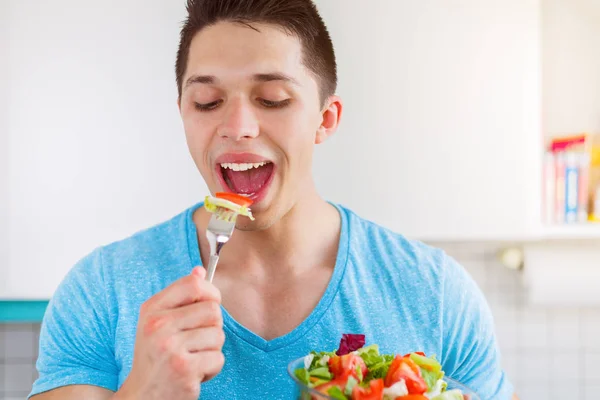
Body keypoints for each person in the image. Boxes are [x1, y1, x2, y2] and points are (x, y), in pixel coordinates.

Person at [29, 0, 518, 399]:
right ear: (182, 111)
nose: (239, 126)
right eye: (207, 101)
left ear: (325, 119)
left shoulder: (435, 293)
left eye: (273, 99)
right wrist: (141, 394)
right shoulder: (100, 291)